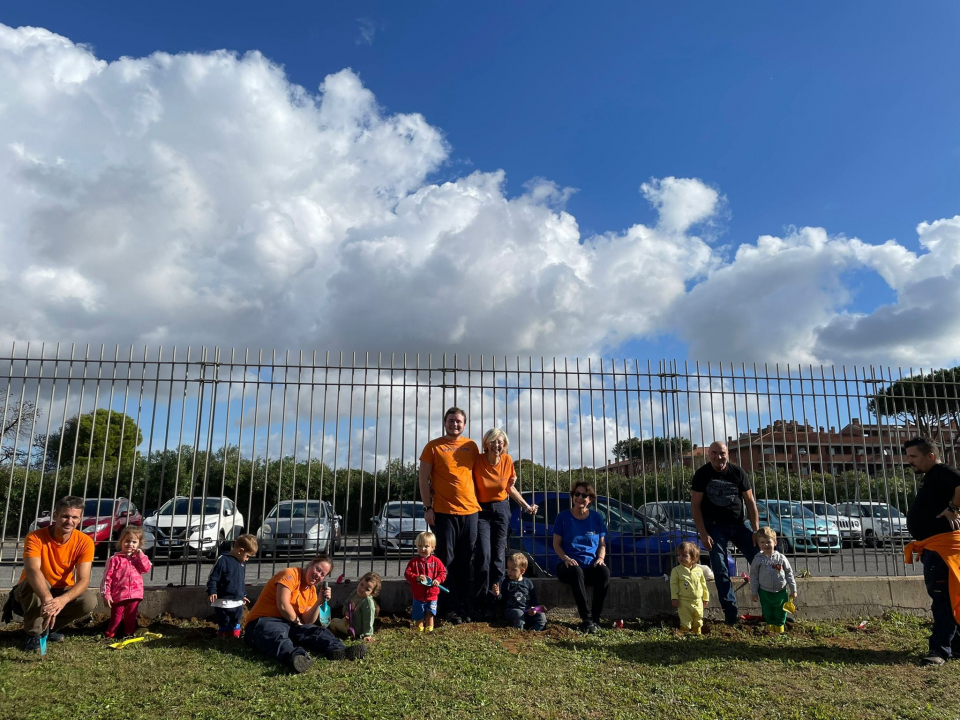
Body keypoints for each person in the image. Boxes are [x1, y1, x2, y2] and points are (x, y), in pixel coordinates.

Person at [244, 556, 366, 673]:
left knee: (318, 631)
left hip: (290, 623)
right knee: (276, 635)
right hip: (264, 621)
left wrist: (319, 602)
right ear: (311, 563)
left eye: (322, 574)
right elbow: (283, 606)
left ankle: (339, 650)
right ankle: (295, 657)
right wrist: (298, 622)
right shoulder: (290, 574)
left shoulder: (311, 590)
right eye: (317, 569)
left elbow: (308, 621)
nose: (318, 575)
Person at [419, 406, 480, 624]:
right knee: (446, 560)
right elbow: (423, 479)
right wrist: (428, 507)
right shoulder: (433, 447)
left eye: (459, 421)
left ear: (464, 424)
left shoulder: (472, 446)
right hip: (444, 512)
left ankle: (462, 605)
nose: (455, 424)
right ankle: (449, 607)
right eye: (451, 420)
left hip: (471, 511)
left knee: (465, 559)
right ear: (445, 423)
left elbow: (482, 472)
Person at [903, 437, 960, 667]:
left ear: (931, 455)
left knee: (943, 599)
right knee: (947, 598)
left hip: (942, 548)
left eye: (913, 456)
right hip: (935, 547)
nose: (909, 461)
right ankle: (955, 646)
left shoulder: (942, 471)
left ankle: (940, 650)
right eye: (908, 456)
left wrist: (953, 508)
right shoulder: (933, 476)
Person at [13, 496, 98, 652]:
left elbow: (84, 580)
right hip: (31, 590)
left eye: (74, 517)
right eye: (65, 516)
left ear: (79, 519)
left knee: (89, 600)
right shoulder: (35, 537)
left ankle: (48, 628)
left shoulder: (85, 542)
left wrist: (62, 600)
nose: (69, 521)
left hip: (61, 590)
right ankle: (33, 634)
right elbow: (32, 570)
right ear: (55, 516)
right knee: (38, 584)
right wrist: (48, 599)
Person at [691, 441, 760, 625]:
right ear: (709, 454)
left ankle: (774, 608)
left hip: (739, 525)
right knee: (720, 567)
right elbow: (695, 505)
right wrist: (703, 533)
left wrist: (755, 531)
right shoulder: (702, 474)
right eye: (714, 453)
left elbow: (750, 503)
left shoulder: (738, 472)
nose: (718, 457)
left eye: (722, 453)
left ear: (727, 454)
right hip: (714, 527)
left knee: (762, 561)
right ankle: (730, 612)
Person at [472, 428, 539, 620]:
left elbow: (510, 487)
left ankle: (497, 601)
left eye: (500, 442)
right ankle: (480, 603)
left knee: (499, 557)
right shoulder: (477, 460)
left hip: (502, 509)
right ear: (486, 444)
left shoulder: (508, 461)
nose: (496, 445)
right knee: (484, 554)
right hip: (481, 510)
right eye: (493, 441)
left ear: (504, 444)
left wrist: (526, 506)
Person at [553, 480, 610, 634]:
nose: (580, 497)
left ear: (590, 499)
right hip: (567, 566)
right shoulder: (563, 517)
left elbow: (602, 545)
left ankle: (596, 618)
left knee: (604, 572)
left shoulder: (596, 518)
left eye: (584, 495)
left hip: (589, 565)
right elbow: (556, 545)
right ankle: (587, 619)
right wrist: (566, 558)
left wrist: (600, 559)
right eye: (577, 494)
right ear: (573, 496)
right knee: (576, 571)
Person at [100, 526, 152, 639]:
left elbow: (146, 568)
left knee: (130, 617)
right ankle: (110, 634)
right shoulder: (114, 559)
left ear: (139, 544)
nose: (130, 544)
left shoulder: (138, 559)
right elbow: (107, 578)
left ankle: (128, 634)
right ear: (121, 541)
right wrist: (106, 594)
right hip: (118, 595)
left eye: (134, 542)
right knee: (116, 617)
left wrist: (141, 555)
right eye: (127, 541)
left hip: (135, 594)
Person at [206, 533, 258, 638]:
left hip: (237, 600)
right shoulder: (223, 560)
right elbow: (213, 577)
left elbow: (240, 581)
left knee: (236, 619)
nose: (247, 559)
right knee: (224, 620)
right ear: (240, 551)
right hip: (223, 600)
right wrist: (212, 591)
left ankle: (235, 636)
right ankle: (224, 635)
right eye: (247, 556)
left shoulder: (241, 563)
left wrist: (243, 594)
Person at [749, 527, 797, 634]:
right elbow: (754, 576)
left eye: (768, 542)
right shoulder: (758, 559)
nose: (765, 545)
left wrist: (793, 589)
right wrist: (754, 592)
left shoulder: (781, 558)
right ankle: (771, 631)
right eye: (762, 542)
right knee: (767, 611)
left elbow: (789, 573)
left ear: (775, 542)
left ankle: (780, 630)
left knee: (780, 612)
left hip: (781, 591)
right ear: (758, 543)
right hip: (764, 592)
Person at [404, 531, 448, 632]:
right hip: (418, 595)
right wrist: (416, 577)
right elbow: (407, 574)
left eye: (426, 546)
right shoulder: (414, 562)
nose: (422, 549)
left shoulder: (436, 561)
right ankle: (419, 630)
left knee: (430, 613)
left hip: (432, 595)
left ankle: (429, 630)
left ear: (433, 547)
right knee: (419, 615)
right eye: (420, 546)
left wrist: (438, 580)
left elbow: (443, 573)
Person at [492, 552, 546, 631]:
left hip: (527, 611)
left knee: (541, 616)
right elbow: (502, 600)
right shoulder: (506, 582)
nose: (509, 571)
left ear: (522, 571)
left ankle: (534, 632)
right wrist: (497, 594)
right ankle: (519, 632)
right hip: (512, 611)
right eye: (508, 568)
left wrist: (534, 609)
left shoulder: (528, 583)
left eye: (513, 569)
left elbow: (534, 600)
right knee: (518, 614)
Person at [670, 541, 709, 635]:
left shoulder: (699, 570)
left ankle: (697, 636)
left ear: (694, 558)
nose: (680, 558)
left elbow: (703, 585)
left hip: (698, 601)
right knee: (686, 622)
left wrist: (705, 597)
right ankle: (684, 636)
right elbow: (673, 585)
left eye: (684, 555)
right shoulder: (676, 571)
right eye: (679, 555)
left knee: (698, 621)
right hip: (684, 601)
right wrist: (674, 598)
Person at [331, 572, 381, 642]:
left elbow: (368, 619)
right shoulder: (355, 593)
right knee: (336, 620)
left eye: (367, 589)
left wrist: (367, 634)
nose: (362, 589)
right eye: (361, 584)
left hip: (355, 629)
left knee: (332, 622)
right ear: (359, 581)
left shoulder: (367, 603)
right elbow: (346, 604)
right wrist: (346, 612)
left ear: (372, 593)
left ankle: (334, 636)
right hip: (348, 621)